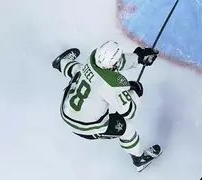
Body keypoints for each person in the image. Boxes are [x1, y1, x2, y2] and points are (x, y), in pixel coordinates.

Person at [51, 41, 162, 172]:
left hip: (67, 111)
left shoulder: (93, 58)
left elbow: (114, 65)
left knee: (79, 71)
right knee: (126, 127)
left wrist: (137, 58)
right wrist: (135, 93)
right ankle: (139, 158)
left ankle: (62, 63)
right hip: (85, 126)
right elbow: (129, 111)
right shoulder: (112, 85)